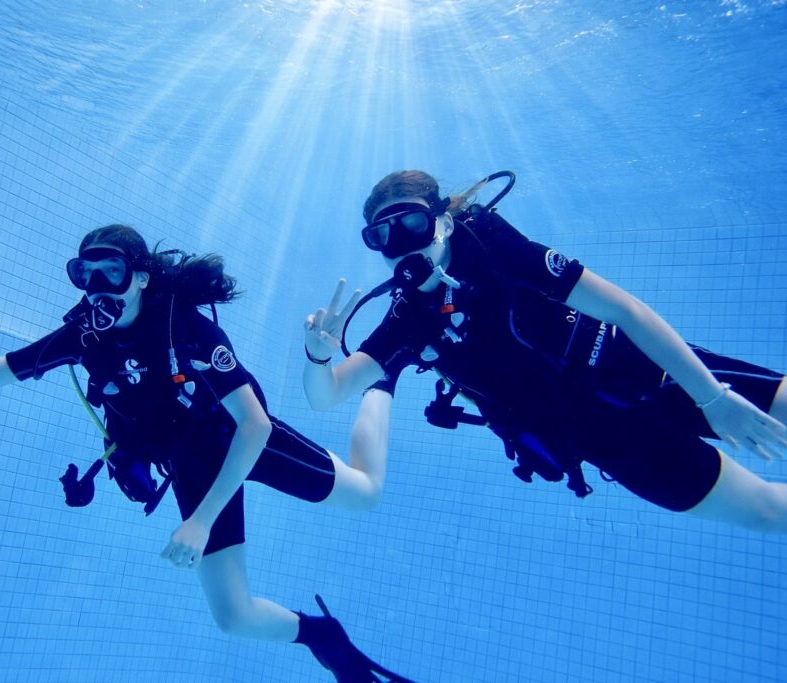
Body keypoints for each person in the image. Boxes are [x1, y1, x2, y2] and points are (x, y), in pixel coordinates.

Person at [0, 224, 412, 683]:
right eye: (85, 273)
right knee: (233, 617)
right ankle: (321, 635)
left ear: (141, 278)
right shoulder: (84, 338)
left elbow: (254, 424)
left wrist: (200, 521)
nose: (99, 286)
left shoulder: (188, 329)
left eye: (113, 271)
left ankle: (380, 385)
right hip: (190, 464)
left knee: (365, 493)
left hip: (238, 440)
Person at [303, 169, 787, 531]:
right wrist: (318, 354)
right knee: (768, 512)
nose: (401, 244)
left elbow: (626, 311)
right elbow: (325, 395)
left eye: (412, 222)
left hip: (639, 367)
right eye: (382, 237)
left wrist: (712, 397)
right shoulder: (408, 319)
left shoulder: (497, 248)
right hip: (599, 436)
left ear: (444, 221)